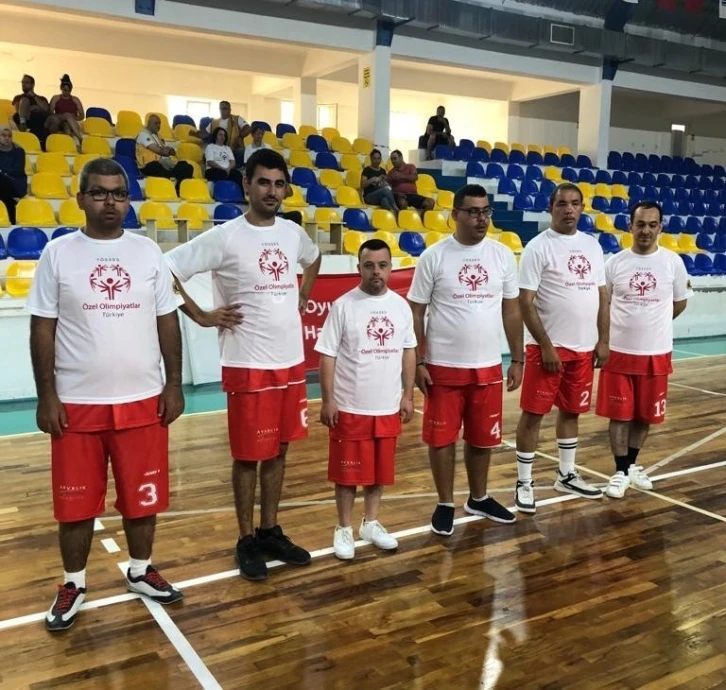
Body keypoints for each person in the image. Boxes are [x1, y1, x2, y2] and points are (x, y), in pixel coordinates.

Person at [27, 158, 185, 632]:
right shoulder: (57, 253)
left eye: (118, 193)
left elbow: (167, 321)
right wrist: (46, 395)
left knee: (143, 498)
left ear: (128, 199)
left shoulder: (148, 252)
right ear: (81, 198)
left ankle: (140, 570)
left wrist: (174, 383)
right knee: (75, 505)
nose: (109, 202)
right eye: (99, 193)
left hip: (143, 400)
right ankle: (73, 583)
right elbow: (42, 327)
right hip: (76, 405)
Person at [165, 149, 321, 581]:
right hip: (247, 363)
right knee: (248, 456)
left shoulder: (292, 233)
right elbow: (166, 270)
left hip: (290, 362)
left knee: (280, 449)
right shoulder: (225, 237)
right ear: (246, 185)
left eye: (279, 184)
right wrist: (201, 314)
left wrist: (304, 293)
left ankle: (270, 530)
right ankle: (246, 538)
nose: (272, 191)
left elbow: (313, 259)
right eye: (264, 182)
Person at [408, 184, 524, 536]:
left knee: (482, 437)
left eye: (486, 211)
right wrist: (418, 362)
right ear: (455, 214)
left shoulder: (503, 255)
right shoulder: (434, 256)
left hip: (487, 365)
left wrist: (518, 358)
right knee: (441, 439)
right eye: (473, 212)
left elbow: (511, 310)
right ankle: (445, 503)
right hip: (442, 366)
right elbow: (416, 312)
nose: (481, 218)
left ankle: (479, 497)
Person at [317, 238, 416, 560]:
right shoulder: (343, 306)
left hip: (387, 406)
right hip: (350, 406)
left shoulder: (400, 307)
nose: (376, 271)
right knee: (347, 475)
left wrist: (407, 394)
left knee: (379, 473)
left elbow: (409, 351)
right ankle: (344, 528)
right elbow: (327, 355)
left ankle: (370, 523)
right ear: (359, 267)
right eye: (369, 265)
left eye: (382, 265)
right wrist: (328, 400)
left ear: (391, 268)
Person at [513, 182, 609, 514]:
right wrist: (546, 345)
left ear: (582, 208)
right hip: (548, 350)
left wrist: (603, 340)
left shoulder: (592, 245)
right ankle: (524, 482)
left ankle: (566, 474)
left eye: (575, 203)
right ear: (550, 208)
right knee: (533, 415)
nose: (569, 209)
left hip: (583, 349)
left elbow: (602, 296)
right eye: (562, 204)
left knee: (571, 412)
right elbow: (525, 302)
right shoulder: (538, 247)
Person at [596, 201, 692, 498]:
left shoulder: (673, 263)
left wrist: (654, 323)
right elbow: (603, 305)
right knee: (619, 415)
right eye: (640, 224)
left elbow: (679, 303)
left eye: (652, 225)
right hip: (618, 352)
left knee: (644, 416)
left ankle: (629, 467)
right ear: (630, 226)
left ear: (660, 227)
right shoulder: (614, 263)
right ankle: (620, 471)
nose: (646, 231)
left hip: (656, 353)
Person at [136, 114, 194, 193]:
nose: (158, 125)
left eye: (159, 123)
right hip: (148, 165)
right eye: (156, 123)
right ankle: (166, 191)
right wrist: (167, 151)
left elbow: (169, 151)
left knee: (186, 166)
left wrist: (169, 151)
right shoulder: (143, 134)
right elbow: (158, 150)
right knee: (156, 166)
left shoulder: (158, 136)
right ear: (149, 123)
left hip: (163, 163)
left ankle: (178, 190)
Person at [191, 101, 249, 167]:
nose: (222, 111)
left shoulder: (237, 119)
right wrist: (193, 133)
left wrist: (240, 137)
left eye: (224, 108)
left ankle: (238, 169)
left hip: (233, 149)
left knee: (241, 151)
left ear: (229, 110)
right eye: (221, 108)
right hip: (218, 150)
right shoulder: (214, 122)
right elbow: (205, 133)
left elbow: (248, 128)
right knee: (206, 155)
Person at [388, 149, 435, 216]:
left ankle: (421, 219)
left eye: (395, 158)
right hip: (400, 196)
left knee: (431, 202)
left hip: (413, 195)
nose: (393, 161)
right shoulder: (391, 172)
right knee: (403, 203)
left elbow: (415, 177)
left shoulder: (411, 166)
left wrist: (401, 176)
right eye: (392, 159)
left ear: (401, 157)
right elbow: (388, 188)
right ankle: (403, 220)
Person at [12, 74, 50, 148]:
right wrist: (34, 107)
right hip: (25, 119)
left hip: (38, 120)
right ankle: (23, 127)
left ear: (32, 85)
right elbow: (18, 110)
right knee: (24, 100)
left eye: (26, 82)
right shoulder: (18, 97)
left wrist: (34, 96)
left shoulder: (41, 98)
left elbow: (45, 108)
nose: (23, 84)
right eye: (22, 82)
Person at [0, 125, 28, 224]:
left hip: (15, 183)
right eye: (3, 135)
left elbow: (18, 170)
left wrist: (2, 171)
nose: (7, 138)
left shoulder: (19, 151)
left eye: (9, 136)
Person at [47, 74, 84, 145]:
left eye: (68, 90)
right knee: (67, 116)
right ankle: (79, 138)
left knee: (68, 123)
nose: (66, 92)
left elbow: (82, 115)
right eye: (65, 90)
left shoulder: (75, 100)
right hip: (59, 121)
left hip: (72, 122)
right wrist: (62, 116)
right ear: (61, 88)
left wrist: (73, 117)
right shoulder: (56, 98)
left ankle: (70, 143)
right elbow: (50, 113)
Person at [204, 126, 243, 191]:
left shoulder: (227, 148)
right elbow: (210, 162)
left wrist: (228, 169)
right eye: (220, 135)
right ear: (215, 136)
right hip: (213, 169)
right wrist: (223, 169)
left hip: (227, 170)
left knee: (237, 174)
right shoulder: (210, 147)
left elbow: (233, 162)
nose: (223, 137)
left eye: (224, 135)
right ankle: (221, 193)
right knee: (221, 174)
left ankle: (238, 194)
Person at [361, 149, 399, 214]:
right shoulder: (367, 170)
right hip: (369, 197)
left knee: (385, 201)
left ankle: (390, 216)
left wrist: (384, 180)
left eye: (378, 158)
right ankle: (396, 209)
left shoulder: (383, 171)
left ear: (381, 159)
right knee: (386, 190)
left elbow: (387, 185)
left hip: (380, 195)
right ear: (371, 159)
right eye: (374, 158)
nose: (377, 161)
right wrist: (373, 179)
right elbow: (363, 185)